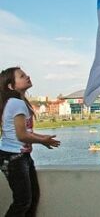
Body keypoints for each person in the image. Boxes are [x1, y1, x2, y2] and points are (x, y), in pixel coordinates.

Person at [0, 67, 61, 216]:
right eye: (22, 76)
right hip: (14, 158)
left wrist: (42, 139)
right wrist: (43, 140)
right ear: (11, 86)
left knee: (31, 200)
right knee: (23, 202)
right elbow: (22, 135)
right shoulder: (16, 103)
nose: (27, 77)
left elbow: (24, 133)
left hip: (20, 156)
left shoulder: (17, 102)